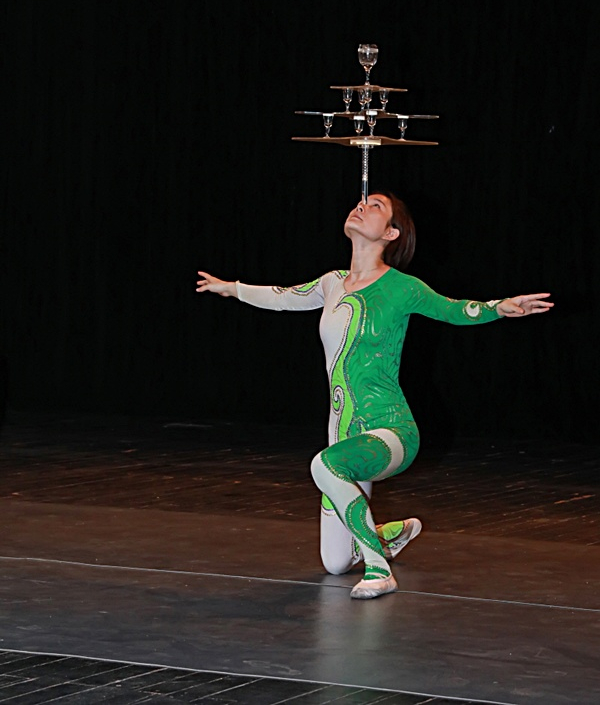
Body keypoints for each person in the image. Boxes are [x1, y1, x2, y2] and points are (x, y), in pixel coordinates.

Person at [196, 192, 553, 600]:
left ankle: (379, 569)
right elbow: (282, 297)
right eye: (361, 203)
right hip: (346, 439)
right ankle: (389, 534)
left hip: (391, 432)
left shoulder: (402, 287)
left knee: (324, 465)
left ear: (391, 233)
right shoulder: (332, 283)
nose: (361, 206)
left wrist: (499, 306)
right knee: (334, 562)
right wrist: (232, 288)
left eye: (376, 206)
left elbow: (453, 309)